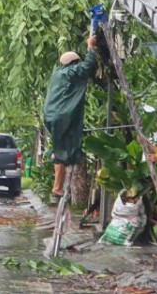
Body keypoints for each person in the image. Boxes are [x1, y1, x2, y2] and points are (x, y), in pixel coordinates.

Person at [43, 35, 97, 197]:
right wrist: (90, 47)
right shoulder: (69, 72)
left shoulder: (57, 72)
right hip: (61, 116)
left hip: (52, 116)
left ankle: (57, 162)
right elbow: (87, 67)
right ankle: (57, 187)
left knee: (62, 147)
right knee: (62, 151)